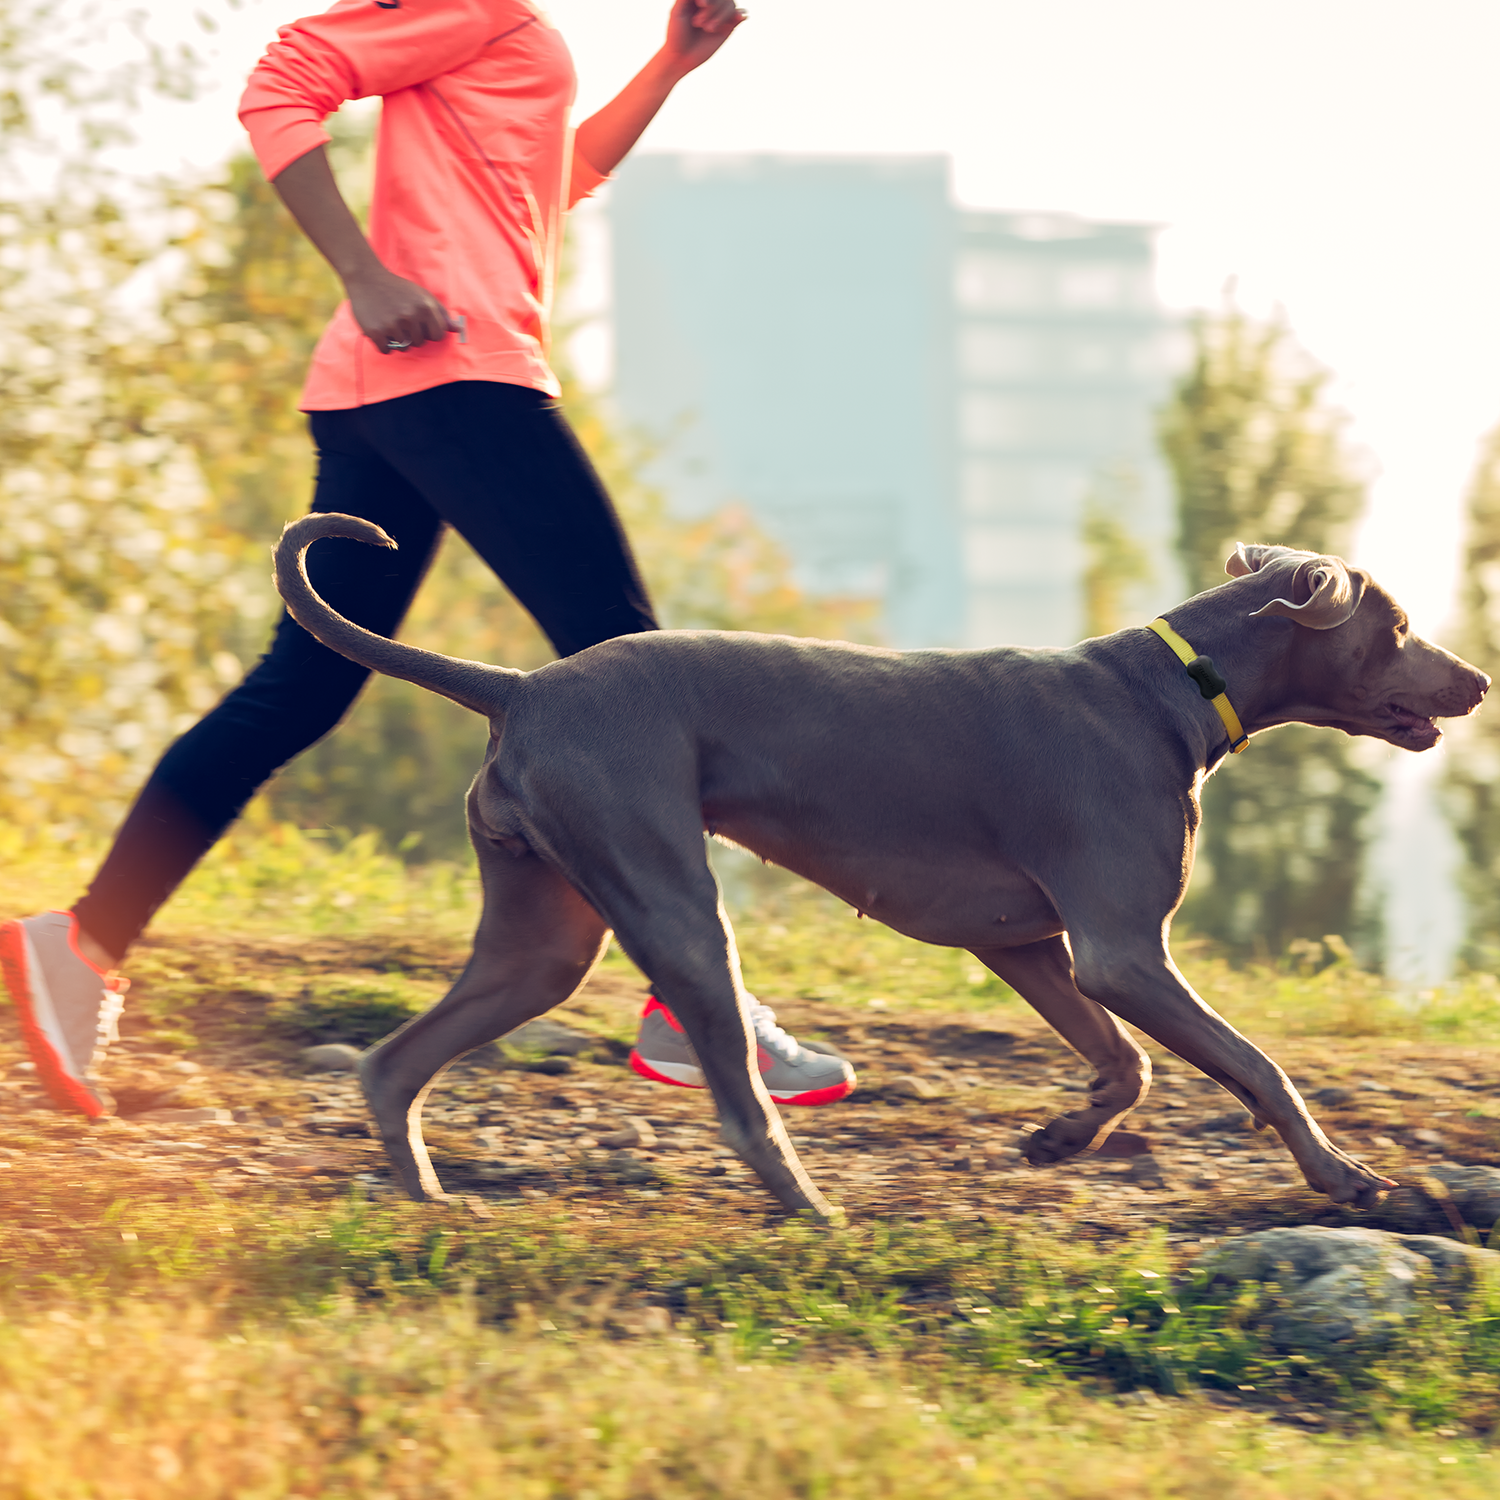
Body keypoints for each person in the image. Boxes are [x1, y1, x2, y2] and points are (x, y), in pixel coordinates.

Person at [0, 0, 854, 1119]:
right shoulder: (480, 4)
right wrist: (361, 274)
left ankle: (84, 941)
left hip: (397, 389)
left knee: (299, 688)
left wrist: (669, 69)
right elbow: (283, 80)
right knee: (641, 682)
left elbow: (547, 186)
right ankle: (695, 1009)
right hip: (452, 376)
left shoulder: (513, 28)